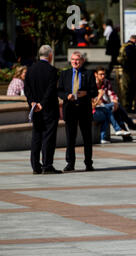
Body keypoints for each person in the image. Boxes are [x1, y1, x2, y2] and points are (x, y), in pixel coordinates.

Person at [24, 45, 61, 174]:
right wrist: (43, 104)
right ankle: (47, 165)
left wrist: (33, 103)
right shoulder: (52, 70)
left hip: (35, 109)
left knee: (36, 137)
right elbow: (51, 90)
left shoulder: (30, 70)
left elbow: (27, 89)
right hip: (49, 109)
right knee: (48, 137)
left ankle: (35, 166)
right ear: (50, 55)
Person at [58, 52, 98, 172]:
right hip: (70, 109)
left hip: (84, 109)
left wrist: (86, 93)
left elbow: (95, 92)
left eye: (78, 60)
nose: (75, 62)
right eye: (73, 59)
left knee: (87, 138)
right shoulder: (65, 74)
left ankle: (88, 163)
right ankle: (70, 163)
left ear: (82, 61)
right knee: (70, 138)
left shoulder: (89, 73)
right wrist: (66, 96)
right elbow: (59, 91)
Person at [93, 66, 136, 142]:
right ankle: (130, 125)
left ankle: (126, 136)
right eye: (101, 74)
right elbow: (94, 101)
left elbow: (111, 93)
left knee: (117, 111)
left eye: (104, 74)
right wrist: (101, 98)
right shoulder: (92, 84)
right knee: (117, 107)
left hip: (105, 106)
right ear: (95, 74)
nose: (103, 76)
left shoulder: (106, 82)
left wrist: (115, 101)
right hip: (97, 108)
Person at [118, 35, 136, 112]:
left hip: (126, 69)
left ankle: (126, 106)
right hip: (129, 70)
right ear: (133, 39)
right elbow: (134, 58)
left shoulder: (125, 46)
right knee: (129, 88)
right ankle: (127, 107)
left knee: (126, 88)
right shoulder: (130, 47)